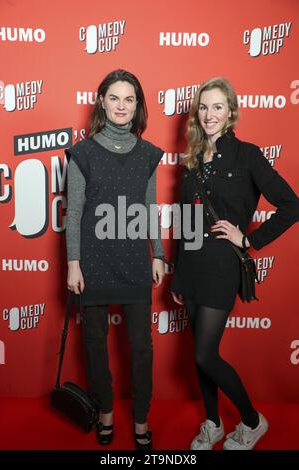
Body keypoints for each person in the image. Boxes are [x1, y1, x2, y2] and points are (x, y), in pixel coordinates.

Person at [171, 77, 299, 450]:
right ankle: (212, 423)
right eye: (204, 107)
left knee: (204, 353)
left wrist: (249, 238)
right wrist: (179, 274)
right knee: (199, 357)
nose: (209, 114)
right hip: (192, 266)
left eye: (217, 107)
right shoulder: (192, 161)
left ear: (230, 113)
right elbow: (186, 223)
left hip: (222, 266)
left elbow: (292, 205)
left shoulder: (248, 155)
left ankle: (252, 421)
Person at [65, 69, 165, 450]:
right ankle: (105, 413)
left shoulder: (148, 153)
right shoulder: (84, 152)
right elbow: (74, 212)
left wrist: (158, 254)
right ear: (102, 101)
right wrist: (73, 262)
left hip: (134, 260)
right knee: (94, 342)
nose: (121, 106)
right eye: (115, 98)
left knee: (141, 347)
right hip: (93, 260)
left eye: (129, 99)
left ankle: (141, 419)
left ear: (137, 105)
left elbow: (149, 207)